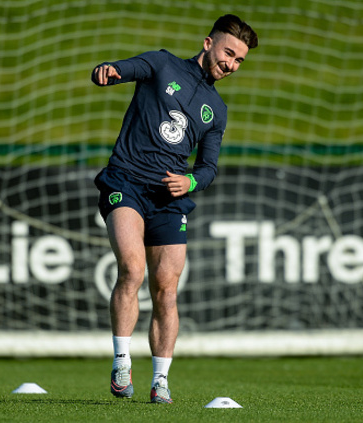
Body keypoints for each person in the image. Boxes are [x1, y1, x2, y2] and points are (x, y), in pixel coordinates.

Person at [91, 14, 258, 404]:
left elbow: (208, 167)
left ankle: (161, 380)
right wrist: (110, 70)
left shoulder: (216, 110)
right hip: (126, 182)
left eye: (239, 61)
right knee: (131, 268)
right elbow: (127, 68)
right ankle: (121, 361)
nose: (230, 65)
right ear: (208, 43)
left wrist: (192, 182)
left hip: (169, 199)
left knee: (166, 290)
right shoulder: (163, 64)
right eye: (228, 53)